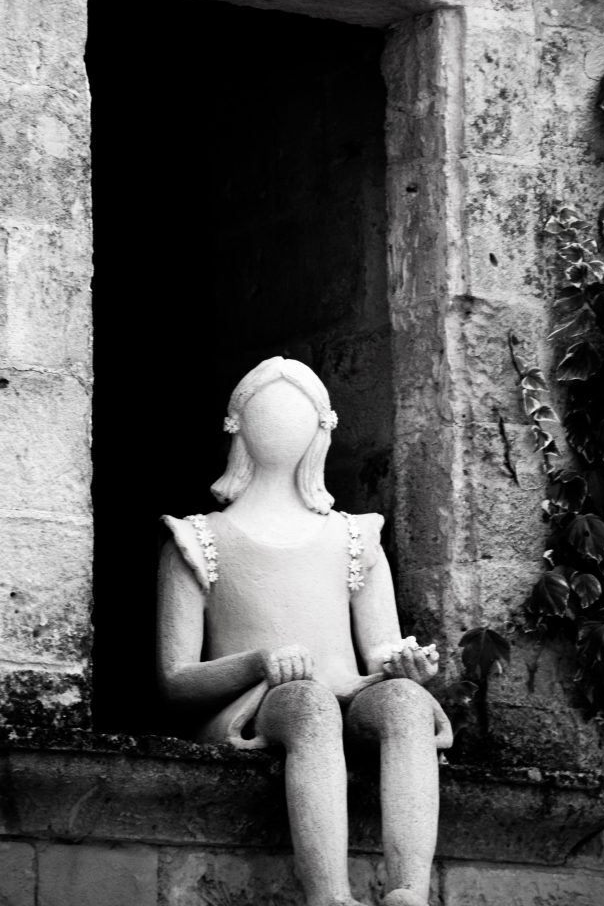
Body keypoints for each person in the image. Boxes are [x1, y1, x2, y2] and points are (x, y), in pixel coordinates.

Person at [157, 357, 451, 906]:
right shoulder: (196, 540)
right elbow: (175, 682)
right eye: (267, 412)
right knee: (310, 703)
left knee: (408, 703)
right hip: (260, 702)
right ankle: (330, 897)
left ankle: (409, 890)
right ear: (236, 425)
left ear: (323, 429)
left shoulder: (355, 536)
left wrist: (407, 663)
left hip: (348, 693)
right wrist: (259, 662)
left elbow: (382, 647)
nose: (280, 423)